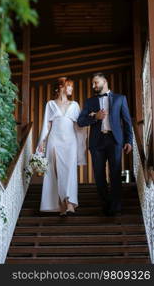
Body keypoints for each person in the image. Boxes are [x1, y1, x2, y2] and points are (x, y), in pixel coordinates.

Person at [77, 72, 133, 216]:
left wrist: (129, 141)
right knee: (99, 175)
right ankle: (106, 203)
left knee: (115, 173)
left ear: (104, 81)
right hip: (97, 142)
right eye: (92, 83)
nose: (93, 85)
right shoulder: (90, 102)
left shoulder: (120, 99)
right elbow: (81, 121)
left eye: (95, 82)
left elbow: (127, 122)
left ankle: (116, 206)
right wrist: (95, 117)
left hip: (114, 141)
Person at [37, 77, 87, 216]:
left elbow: (79, 126)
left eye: (71, 86)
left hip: (70, 142)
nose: (71, 89)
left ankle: (70, 202)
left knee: (70, 171)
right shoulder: (50, 104)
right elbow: (47, 125)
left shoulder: (75, 105)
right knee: (55, 171)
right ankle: (61, 204)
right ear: (61, 87)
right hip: (54, 140)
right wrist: (42, 142)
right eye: (69, 86)